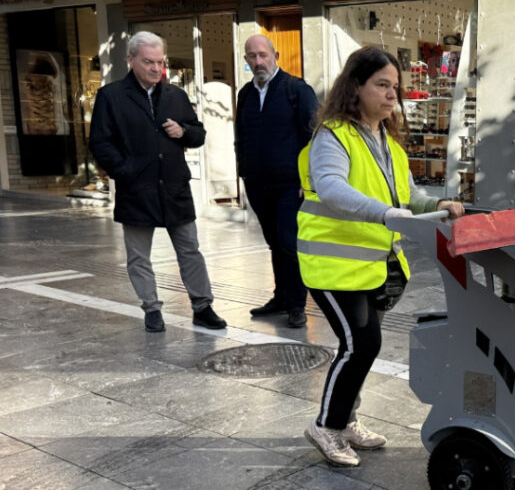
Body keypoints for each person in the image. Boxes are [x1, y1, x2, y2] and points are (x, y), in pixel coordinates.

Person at [297, 46, 464, 466]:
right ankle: (327, 426)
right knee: (362, 344)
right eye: (382, 85)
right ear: (356, 86)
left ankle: (345, 419)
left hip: (374, 266)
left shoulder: (389, 144)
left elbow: (407, 197)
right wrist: (387, 214)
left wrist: (440, 205)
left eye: (395, 87)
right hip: (331, 265)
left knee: (358, 347)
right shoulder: (333, 136)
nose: (393, 96)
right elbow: (332, 189)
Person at [89, 31, 226, 333]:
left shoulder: (175, 95)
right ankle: (151, 308)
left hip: (175, 188)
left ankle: (202, 306)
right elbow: (100, 143)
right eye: (148, 62)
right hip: (136, 190)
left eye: (160, 62)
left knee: (190, 250)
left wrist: (184, 132)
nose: (155, 68)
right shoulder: (111, 96)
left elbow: (199, 133)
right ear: (131, 60)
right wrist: (125, 172)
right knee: (139, 256)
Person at [235, 35, 319, 328]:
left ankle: (297, 304)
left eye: (263, 55)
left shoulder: (297, 90)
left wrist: (307, 181)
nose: (258, 62)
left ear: (275, 55)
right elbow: (241, 137)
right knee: (274, 243)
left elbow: (314, 138)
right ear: (246, 60)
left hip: (290, 186)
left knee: (288, 242)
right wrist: (243, 171)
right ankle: (281, 297)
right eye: (252, 56)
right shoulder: (244, 95)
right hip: (258, 184)